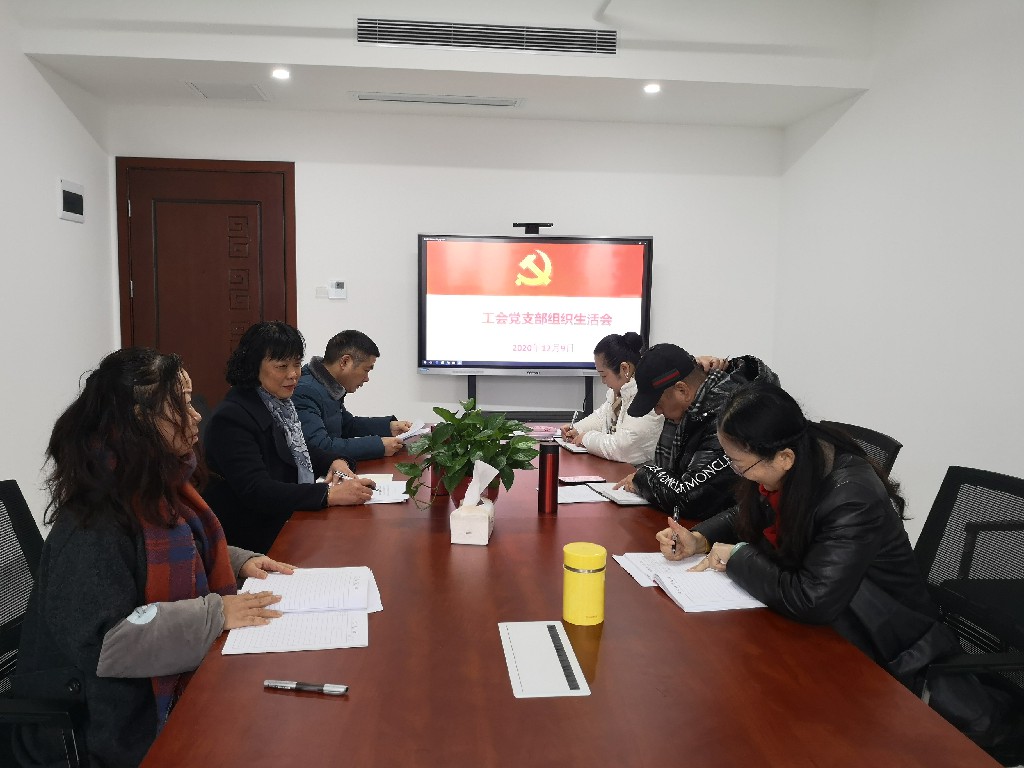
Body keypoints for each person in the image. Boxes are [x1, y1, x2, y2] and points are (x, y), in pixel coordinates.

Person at [655, 380, 1010, 744]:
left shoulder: (852, 497)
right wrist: (700, 538)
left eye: (740, 464)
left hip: (882, 652)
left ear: (784, 458)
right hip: (827, 625)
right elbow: (749, 509)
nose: (736, 471)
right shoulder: (792, 466)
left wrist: (738, 557)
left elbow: (812, 597)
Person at [11, 348, 292, 768]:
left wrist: (237, 563)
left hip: (135, 693)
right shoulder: (94, 522)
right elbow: (107, 645)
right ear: (138, 420)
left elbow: (172, 551)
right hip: (103, 722)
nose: (196, 415)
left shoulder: (152, 487)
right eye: (180, 403)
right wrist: (216, 613)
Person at [203, 321, 373, 553]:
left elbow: (294, 449)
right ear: (254, 366)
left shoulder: (277, 404)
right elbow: (258, 490)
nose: (293, 374)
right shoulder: (233, 417)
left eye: (297, 364)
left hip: (285, 521)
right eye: (282, 366)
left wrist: (334, 461)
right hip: (254, 538)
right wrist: (328, 494)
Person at [617, 343, 778, 520]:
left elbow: (690, 498)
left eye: (658, 404)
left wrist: (645, 476)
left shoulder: (728, 418)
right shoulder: (694, 409)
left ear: (682, 390)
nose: (657, 411)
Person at [293, 329, 412, 461]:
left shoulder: (327, 385)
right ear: (345, 362)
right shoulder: (305, 391)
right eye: (366, 370)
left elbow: (347, 425)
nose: (367, 378)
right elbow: (321, 447)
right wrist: (379, 445)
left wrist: (389, 427)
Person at [559, 332, 664, 465]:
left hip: (636, 473)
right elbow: (601, 418)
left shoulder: (646, 397)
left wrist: (586, 438)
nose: (603, 381)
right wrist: (577, 429)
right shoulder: (619, 392)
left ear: (624, 368)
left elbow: (624, 448)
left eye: (604, 375)